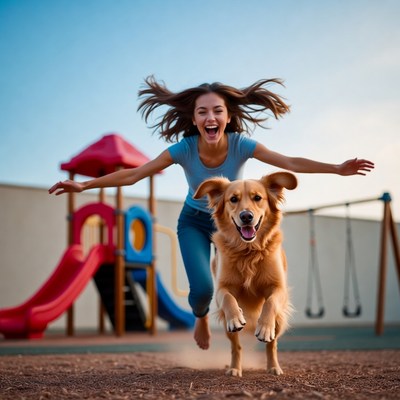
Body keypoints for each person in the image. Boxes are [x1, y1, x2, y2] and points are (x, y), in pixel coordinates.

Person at [49, 76, 374, 350]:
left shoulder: (241, 144)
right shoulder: (184, 149)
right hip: (194, 222)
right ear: (194, 120)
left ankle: (255, 319)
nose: (210, 117)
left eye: (217, 111)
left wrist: (336, 168)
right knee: (203, 290)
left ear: (228, 117)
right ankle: (201, 317)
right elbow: (135, 174)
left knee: (248, 280)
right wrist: (85, 186)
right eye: (202, 112)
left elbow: (288, 163)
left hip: (235, 223)